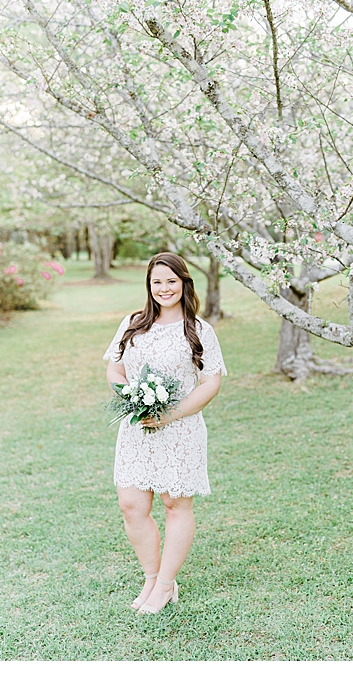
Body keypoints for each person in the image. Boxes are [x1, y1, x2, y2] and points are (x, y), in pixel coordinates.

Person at [103, 252, 225, 616]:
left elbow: (211, 382)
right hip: (137, 429)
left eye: (171, 281)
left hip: (180, 430)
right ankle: (152, 576)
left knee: (175, 504)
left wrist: (170, 413)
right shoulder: (133, 323)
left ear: (184, 283)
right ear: (149, 285)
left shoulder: (199, 330)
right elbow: (115, 368)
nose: (164, 288)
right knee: (132, 505)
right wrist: (132, 398)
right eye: (157, 281)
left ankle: (167, 582)